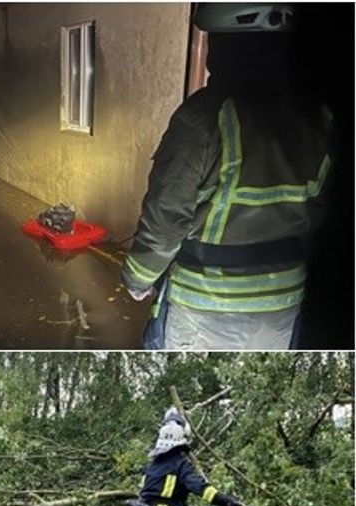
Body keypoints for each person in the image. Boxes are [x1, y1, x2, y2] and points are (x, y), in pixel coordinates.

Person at [121, 3, 332, 350]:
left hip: (205, 307)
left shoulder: (203, 117)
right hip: (284, 302)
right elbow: (321, 209)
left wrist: (138, 276)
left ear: (224, 46)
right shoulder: (318, 116)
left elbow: (167, 216)